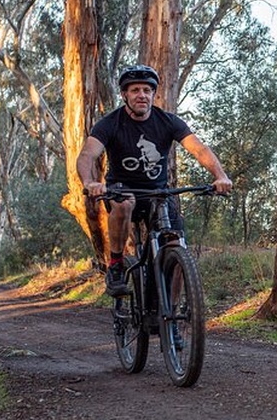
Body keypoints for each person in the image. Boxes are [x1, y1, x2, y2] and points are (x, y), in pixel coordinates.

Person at [77, 64, 233, 297]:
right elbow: (87, 155)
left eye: (147, 90)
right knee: (125, 202)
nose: (142, 95)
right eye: (135, 90)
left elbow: (199, 149)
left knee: (176, 243)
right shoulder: (110, 123)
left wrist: (220, 175)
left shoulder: (168, 121)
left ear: (153, 94)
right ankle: (117, 264)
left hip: (157, 193)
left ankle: (170, 317)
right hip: (122, 189)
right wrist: (90, 183)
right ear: (125, 95)